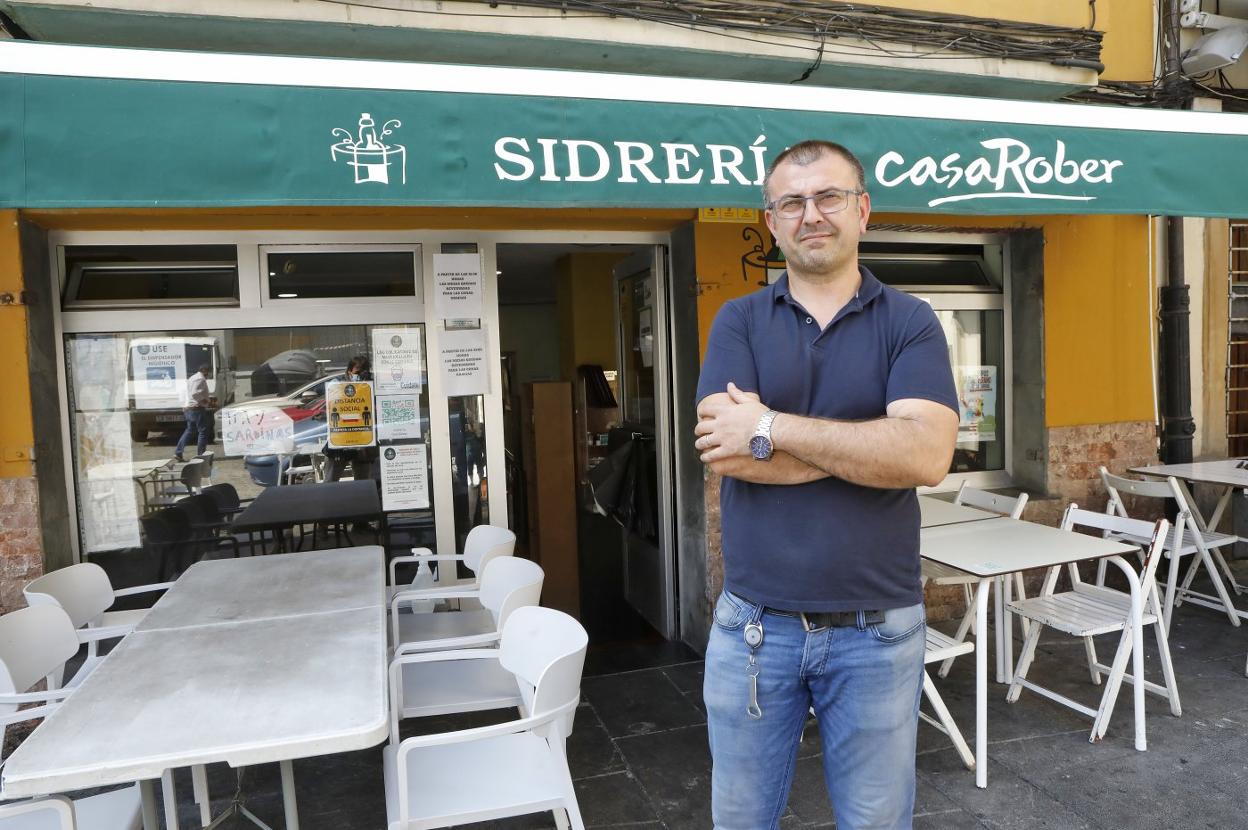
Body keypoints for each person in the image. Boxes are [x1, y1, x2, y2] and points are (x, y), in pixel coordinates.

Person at [693, 140, 959, 829]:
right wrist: (867, 441)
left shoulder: (911, 321)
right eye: (792, 202)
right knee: (741, 820)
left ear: (862, 210)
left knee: (875, 821)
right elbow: (726, 450)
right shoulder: (739, 321)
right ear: (773, 222)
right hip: (753, 628)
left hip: (879, 631)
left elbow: (925, 457)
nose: (812, 214)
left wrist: (771, 424)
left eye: (828, 197)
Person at [324, 355, 378, 483]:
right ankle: (327, 501)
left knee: (363, 481)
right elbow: (332, 404)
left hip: (363, 439)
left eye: (365, 371)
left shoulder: (371, 386)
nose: (361, 374)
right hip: (341, 440)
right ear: (349, 371)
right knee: (331, 480)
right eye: (358, 371)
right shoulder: (337, 384)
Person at [173, 363, 212, 462]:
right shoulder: (200, 379)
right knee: (203, 431)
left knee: (189, 431)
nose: (208, 376)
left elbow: (184, 392)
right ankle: (201, 454)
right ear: (205, 371)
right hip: (197, 408)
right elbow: (195, 393)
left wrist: (184, 405)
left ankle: (178, 452)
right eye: (208, 373)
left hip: (189, 408)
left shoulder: (192, 378)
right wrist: (204, 401)